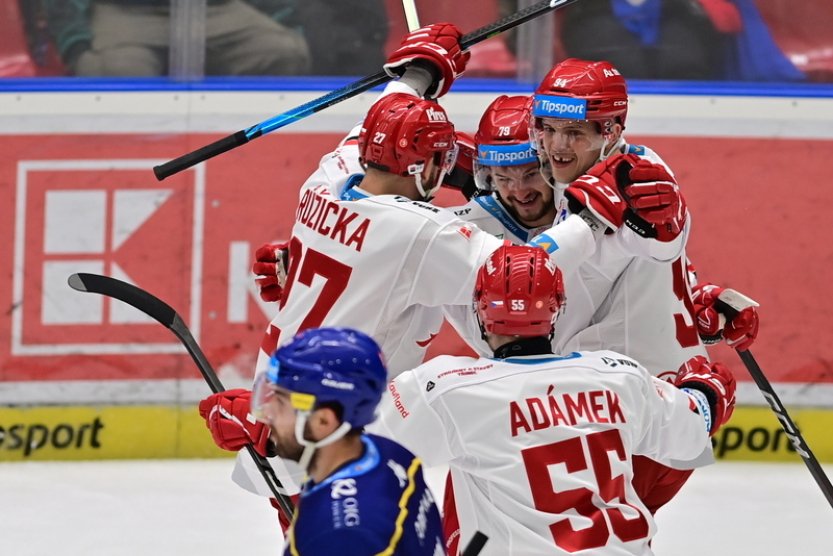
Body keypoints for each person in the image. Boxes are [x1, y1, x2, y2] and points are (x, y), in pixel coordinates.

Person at [373, 244, 737, 555]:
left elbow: (364, 448)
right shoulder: (619, 375)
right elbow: (691, 430)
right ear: (558, 306)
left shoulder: (445, 388)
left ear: (480, 309)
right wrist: (706, 389)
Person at [208, 326, 445, 555]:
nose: (266, 414)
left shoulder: (339, 537)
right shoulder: (387, 453)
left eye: (279, 402)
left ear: (323, 421)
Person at [41, 0, 310, 76]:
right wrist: (75, 42)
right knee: (116, 69)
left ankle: (252, 163)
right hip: (126, 10)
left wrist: (283, 19)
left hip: (216, 9)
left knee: (283, 52)